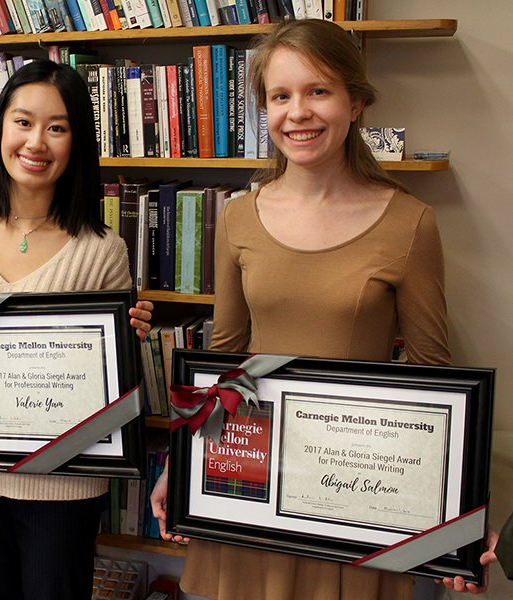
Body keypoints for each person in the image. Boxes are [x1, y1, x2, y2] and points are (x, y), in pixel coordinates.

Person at [149, 18, 498, 600]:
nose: (298, 113)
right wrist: (180, 467)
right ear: (263, 108)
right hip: (251, 478)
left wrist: (461, 515)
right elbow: (225, 361)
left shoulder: (410, 223)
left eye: (319, 91)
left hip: (351, 490)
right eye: (281, 96)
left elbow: (435, 377)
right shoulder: (236, 217)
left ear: (356, 102)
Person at [0, 58, 153, 600]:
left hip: (64, 480)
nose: (36, 142)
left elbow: (109, 389)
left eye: (58, 127)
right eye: (22, 122)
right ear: (0, 128)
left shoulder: (103, 251)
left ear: (77, 142)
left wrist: (126, 342)